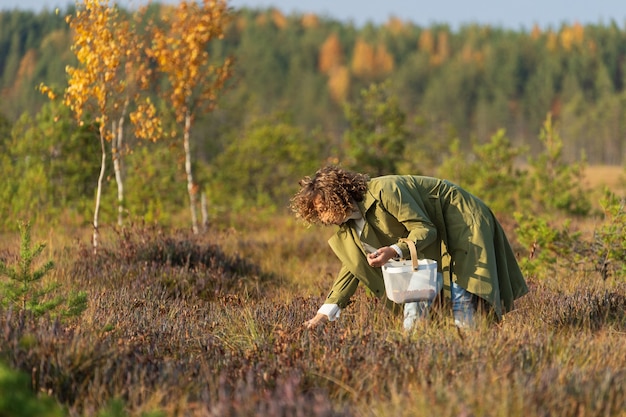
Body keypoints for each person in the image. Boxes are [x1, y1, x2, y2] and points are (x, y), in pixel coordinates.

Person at [290, 165, 528, 330]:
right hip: (438, 228)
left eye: (322, 209)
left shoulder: (385, 190)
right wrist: (323, 314)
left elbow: (426, 230)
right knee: (428, 294)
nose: (322, 218)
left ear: (337, 196)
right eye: (316, 213)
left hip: (462, 218)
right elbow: (352, 269)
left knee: (461, 289)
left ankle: (467, 348)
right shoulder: (349, 226)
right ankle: (453, 349)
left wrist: (394, 250)